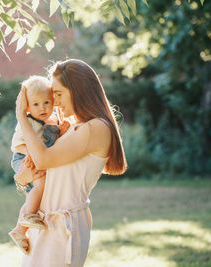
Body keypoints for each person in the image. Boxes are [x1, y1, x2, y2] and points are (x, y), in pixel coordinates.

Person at [14, 59, 127, 267]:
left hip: (63, 228)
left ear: (78, 90)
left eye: (58, 94)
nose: (54, 102)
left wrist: (22, 117)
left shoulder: (95, 128)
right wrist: (22, 179)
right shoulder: (74, 128)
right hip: (44, 222)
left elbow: (43, 159)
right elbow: (40, 167)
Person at [8, 75, 70, 255]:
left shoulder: (52, 122)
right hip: (23, 158)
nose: (42, 108)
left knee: (35, 197)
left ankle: (20, 230)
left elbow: (53, 146)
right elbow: (17, 145)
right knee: (40, 183)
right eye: (36, 104)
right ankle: (29, 216)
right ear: (27, 106)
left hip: (39, 159)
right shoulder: (28, 123)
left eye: (46, 102)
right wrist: (30, 154)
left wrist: (62, 133)